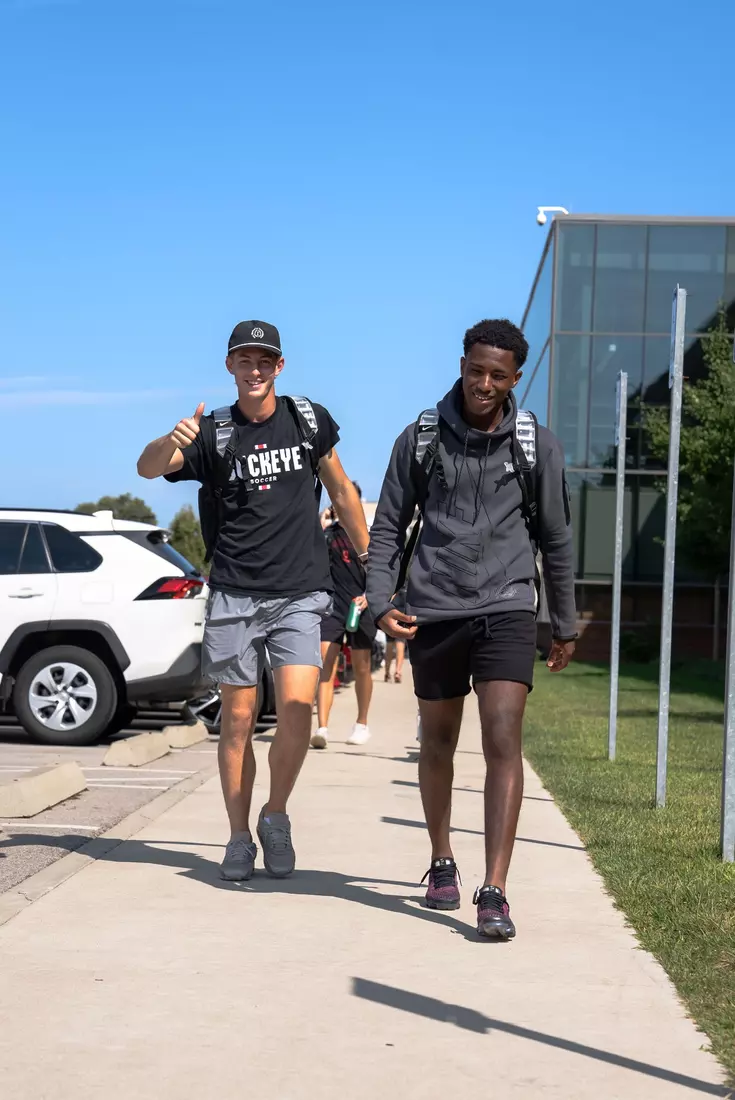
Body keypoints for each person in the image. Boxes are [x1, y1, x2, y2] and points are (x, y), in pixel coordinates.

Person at [366, 318, 576, 940]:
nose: (484, 384)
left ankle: (495, 889)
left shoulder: (537, 446)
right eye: (476, 370)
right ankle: (441, 859)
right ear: (461, 365)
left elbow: (557, 537)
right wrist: (379, 600)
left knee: (502, 736)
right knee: (438, 740)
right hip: (434, 608)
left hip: (508, 606)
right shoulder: (420, 438)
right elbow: (388, 526)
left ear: (516, 379)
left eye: (498, 375)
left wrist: (563, 622)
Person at [137, 320, 369, 882]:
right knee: (238, 720)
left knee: (296, 711)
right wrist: (172, 440)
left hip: (300, 591)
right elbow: (146, 468)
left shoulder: (307, 420)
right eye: (245, 359)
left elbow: (341, 491)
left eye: (265, 360)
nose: (255, 369)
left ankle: (275, 814)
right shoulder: (211, 432)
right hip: (235, 593)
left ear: (279, 366)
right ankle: (239, 836)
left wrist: (373, 565)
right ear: (230, 366)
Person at [312, 483, 375, 749]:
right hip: (333, 607)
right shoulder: (328, 534)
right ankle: (322, 728)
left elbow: (382, 572)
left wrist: (369, 596)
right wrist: (321, 522)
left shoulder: (369, 535)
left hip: (362, 606)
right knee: (326, 663)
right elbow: (309, 556)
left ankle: (362, 724)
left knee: (362, 667)